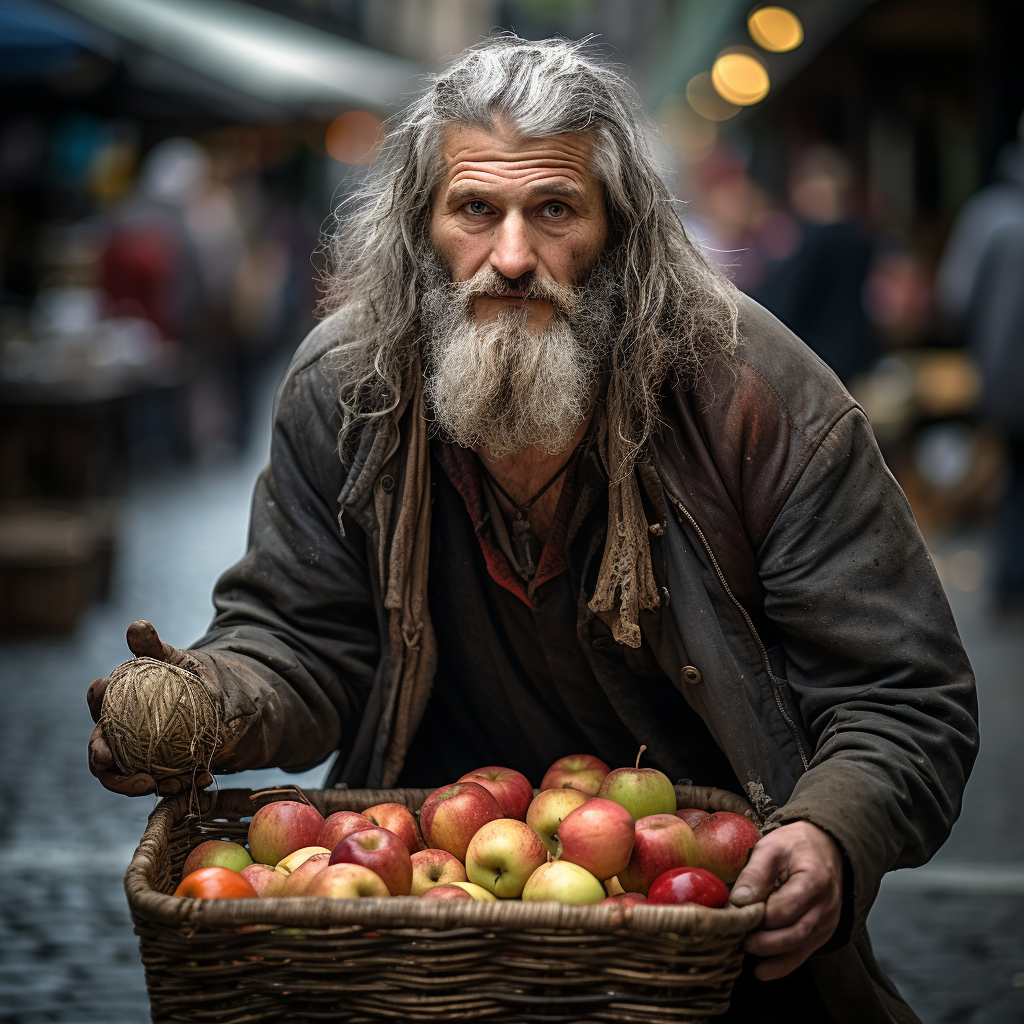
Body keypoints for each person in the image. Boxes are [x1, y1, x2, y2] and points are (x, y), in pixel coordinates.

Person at [86, 37, 977, 1022]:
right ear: (423, 229)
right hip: (425, 911)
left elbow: (902, 693)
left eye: (553, 210)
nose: (511, 257)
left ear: (620, 229)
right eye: (476, 210)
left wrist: (829, 835)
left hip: (704, 932)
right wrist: (206, 702)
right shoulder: (344, 389)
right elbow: (300, 633)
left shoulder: (760, 401)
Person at [936, 117, 1024, 609]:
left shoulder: (990, 216)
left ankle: (1011, 585)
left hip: (1007, 382)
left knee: (1011, 479)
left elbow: (955, 297)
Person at [755, 145, 876, 385]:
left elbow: (785, 306)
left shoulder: (815, 244)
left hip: (817, 359)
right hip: (855, 353)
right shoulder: (860, 238)